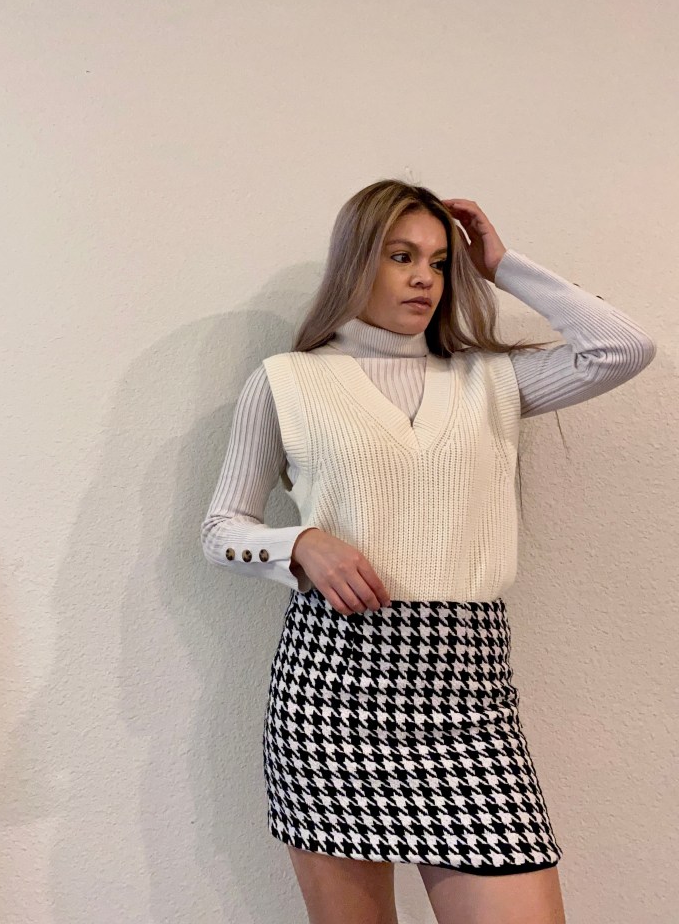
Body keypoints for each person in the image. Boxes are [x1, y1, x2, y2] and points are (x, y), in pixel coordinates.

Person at [200, 180, 657, 924]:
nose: (425, 278)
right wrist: (300, 544)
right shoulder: (289, 381)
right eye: (401, 256)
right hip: (333, 692)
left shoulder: (491, 380)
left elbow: (624, 348)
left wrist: (502, 265)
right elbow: (222, 527)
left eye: (440, 262)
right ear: (356, 262)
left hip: (470, 698)